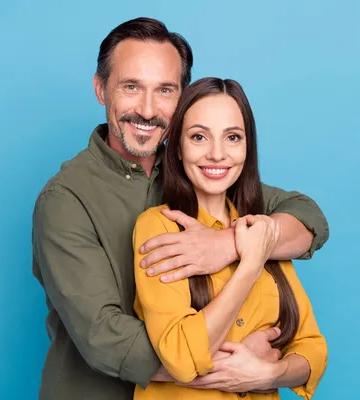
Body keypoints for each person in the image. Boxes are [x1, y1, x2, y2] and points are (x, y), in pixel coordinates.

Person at [32, 17, 329, 400]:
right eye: (131, 87)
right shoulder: (64, 199)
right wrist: (241, 367)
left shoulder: (202, 172)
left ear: (184, 99)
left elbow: (307, 218)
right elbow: (107, 339)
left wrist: (229, 245)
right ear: (100, 89)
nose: (147, 109)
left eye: (165, 90)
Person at [133, 77, 327, 400]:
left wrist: (268, 374)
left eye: (232, 137)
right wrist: (251, 262)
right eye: (199, 137)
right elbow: (181, 356)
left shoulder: (259, 227)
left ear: (247, 147)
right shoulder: (158, 228)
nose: (217, 154)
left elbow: (313, 348)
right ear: (178, 148)